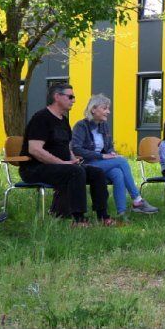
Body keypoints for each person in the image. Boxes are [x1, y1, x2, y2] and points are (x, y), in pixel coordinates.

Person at [19, 82, 112, 226]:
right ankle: (78, 219)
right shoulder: (41, 118)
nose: (73, 100)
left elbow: (66, 147)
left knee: (97, 172)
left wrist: (73, 159)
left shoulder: (64, 120)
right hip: (35, 168)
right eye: (70, 97)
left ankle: (103, 217)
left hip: (61, 167)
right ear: (57, 97)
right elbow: (35, 150)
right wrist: (62, 163)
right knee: (75, 172)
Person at [71, 94, 158, 217]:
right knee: (122, 161)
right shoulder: (81, 126)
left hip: (100, 163)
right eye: (105, 108)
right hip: (86, 164)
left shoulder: (104, 125)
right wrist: (102, 156)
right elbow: (76, 149)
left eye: (108, 108)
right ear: (93, 109)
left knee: (118, 173)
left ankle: (121, 213)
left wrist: (111, 152)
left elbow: (109, 146)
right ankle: (137, 200)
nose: (108, 112)